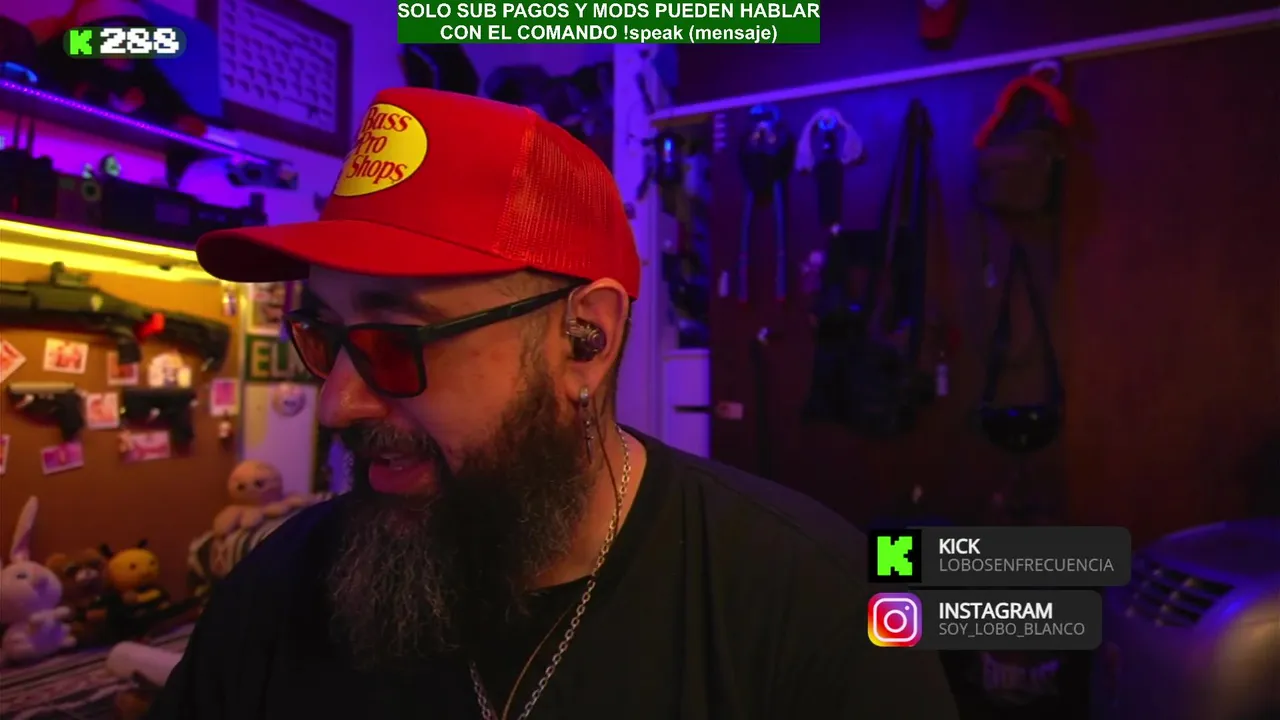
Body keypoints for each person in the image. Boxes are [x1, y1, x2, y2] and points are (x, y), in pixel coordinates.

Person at [148, 88, 959, 720]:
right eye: (324, 335)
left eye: (397, 339)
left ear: (586, 340)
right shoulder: (278, 589)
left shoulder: (815, 605)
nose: (337, 405)